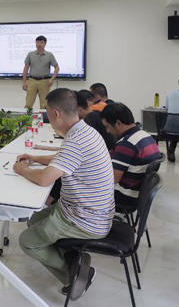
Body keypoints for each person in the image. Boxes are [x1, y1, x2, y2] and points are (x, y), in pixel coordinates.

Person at [14, 88, 114, 296]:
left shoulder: (76, 141)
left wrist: (22, 169)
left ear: (55, 114)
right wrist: (34, 158)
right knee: (34, 221)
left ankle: (77, 275)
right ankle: (72, 257)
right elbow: (63, 158)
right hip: (90, 211)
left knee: (27, 241)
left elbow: (44, 179)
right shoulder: (84, 130)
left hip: (85, 219)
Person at [101, 103, 161, 208]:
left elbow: (113, 179)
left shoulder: (126, 144)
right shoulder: (146, 136)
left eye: (107, 127)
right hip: (140, 194)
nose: (107, 131)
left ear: (118, 123)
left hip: (125, 196)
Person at [22, 35, 59, 109]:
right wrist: (24, 82)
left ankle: (43, 117)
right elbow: (26, 68)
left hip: (44, 82)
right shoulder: (30, 54)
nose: (39, 44)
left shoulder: (49, 55)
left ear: (45, 44)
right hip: (32, 81)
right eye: (37, 42)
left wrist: (51, 79)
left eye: (41, 42)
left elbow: (57, 68)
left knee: (44, 105)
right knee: (28, 103)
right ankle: (27, 116)